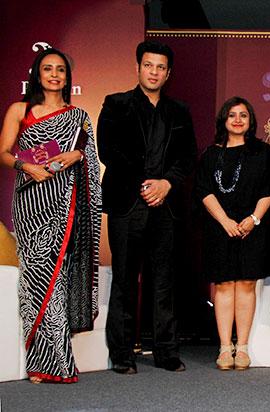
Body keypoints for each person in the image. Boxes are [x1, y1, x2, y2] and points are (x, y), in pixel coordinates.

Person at [0, 48, 101, 383]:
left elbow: (86, 154)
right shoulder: (21, 109)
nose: (55, 75)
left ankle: (55, 361)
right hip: (30, 202)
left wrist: (73, 156)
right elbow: (4, 152)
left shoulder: (78, 116)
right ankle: (40, 360)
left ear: (67, 76)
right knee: (36, 280)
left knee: (57, 278)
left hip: (65, 204)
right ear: (37, 73)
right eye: (48, 69)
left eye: (60, 69)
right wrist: (25, 165)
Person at [98, 40, 197, 374]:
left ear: (168, 73)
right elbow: (108, 152)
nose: (154, 72)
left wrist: (166, 184)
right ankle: (123, 353)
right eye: (148, 65)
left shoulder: (180, 111)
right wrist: (145, 184)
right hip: (128, 202)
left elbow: (187, 156)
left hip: (166, 204)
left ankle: (166, 352)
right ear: (137, 67)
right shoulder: (115, 104)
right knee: (125, 278)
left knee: (165, 280)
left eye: (160, 67)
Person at [194, 97, 270, 370]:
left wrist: (253, 219)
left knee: (247, 285)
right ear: (223, 121)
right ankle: (225, 347)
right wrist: (225, 221)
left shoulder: (262, 152)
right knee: (225, 286)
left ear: (250, 121)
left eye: (243, 115)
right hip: (220, 228)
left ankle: (243, 348)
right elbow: (203, 190)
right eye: (232, 115)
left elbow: (269, 189)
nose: (238, 120)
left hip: (253, 227)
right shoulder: (210, 154)